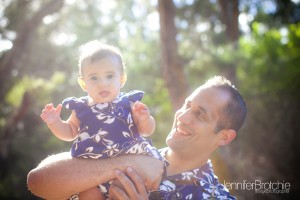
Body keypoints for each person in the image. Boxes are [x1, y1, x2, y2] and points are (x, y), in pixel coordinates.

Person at [28, 76, 247, 200]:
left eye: (199, 114)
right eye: (186, 105)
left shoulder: (217, 198)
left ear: (224, 137)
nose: (183, 116)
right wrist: (130, 162)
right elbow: (39, 181)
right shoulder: (133, 149)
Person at [39, 40, 163, 200]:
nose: (102, 83)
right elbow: (69, 132)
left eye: (110, 76)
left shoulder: (129, 104)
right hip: (92, 172)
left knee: (124, 192)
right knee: (87, 194)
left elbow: (147, 131)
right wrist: (54, 123)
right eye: (94, 78)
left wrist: (144, 118)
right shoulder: (81, 108)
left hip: (128, 168)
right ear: (83, 83)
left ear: (122, 79)